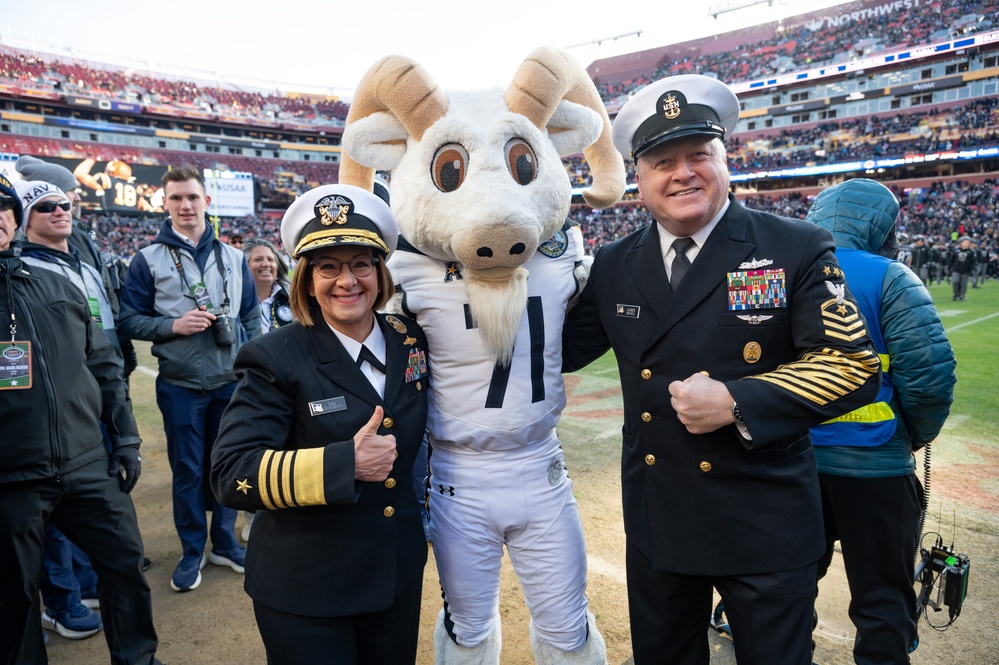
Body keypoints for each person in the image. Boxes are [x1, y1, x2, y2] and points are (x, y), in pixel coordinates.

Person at [562, 74, 882, 665]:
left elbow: (851, 363)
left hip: (766, 521)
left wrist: (738, 401)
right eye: (663, 160)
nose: (682, 172)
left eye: (698, 154)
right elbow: (550, 351)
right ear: (639, 177)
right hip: (661, 521)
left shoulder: (796, 246)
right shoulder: (611, 266)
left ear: (724, 158)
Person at [211, 184, 429, 665]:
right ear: (307, 280)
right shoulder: (273, 356)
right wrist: (344, 464)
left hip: (395, 575)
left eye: (360, 264)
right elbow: (231, 472)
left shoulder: (408, 339)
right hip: (307, 591)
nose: (347, 280)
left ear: (380, 273)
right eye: (328, 266)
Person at [0, 173, 161, 665]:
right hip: (11, 479)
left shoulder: (56, 283)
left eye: (0, 209)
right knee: (15, 597)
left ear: (12, 220)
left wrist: (126, 439)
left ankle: (138, 659)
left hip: (87, 461)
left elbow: (105, 367)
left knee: (125, 569)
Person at [804, 178, 956, 665]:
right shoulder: (891, 276)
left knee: (784, 593)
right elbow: (930, 380)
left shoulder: (781, 270)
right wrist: (912, 437)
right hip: (876, 469)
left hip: (790, 467)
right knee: (883, 603)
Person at [118, 165, 261, 593]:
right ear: (165, 204)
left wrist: (253, 365)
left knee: (227, 466)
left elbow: (251, 317)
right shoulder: (147, 259)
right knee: (188, 469)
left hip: (231, 383)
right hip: (180, 384)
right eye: (177, 198)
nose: (185, 205)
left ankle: (224, 542)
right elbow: (128, 320)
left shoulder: (235, 258)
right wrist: (171, 327)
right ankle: (191, 549)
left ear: (207, 203)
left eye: (192, 197)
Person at [14, 179, 122, 639]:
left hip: (93, 392)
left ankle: (82, 580)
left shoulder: (80, 260)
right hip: (53, 408)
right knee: (54, 502)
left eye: (65, 204)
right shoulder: (20, 271)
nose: (62, 211)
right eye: (46, 207)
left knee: (90, 499)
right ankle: (61, 600)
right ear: (24, 220)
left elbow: (103, 330)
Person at [946, 236, 976, 301]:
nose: (967, 243)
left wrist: (973, 270)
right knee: (955, 281)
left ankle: (962, 295)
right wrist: (949, 268)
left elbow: (973, 262)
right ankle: (955, 293)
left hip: (966, 270)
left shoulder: (971, 252)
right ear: (961, 243)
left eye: (968, 242)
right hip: (956, 269)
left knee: (964, 283)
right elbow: (951, 260)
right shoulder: (956, 250)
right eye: (966, 242)